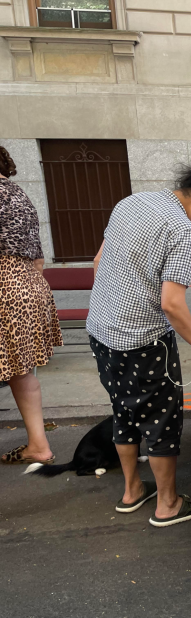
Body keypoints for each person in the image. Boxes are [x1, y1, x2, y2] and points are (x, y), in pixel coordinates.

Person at [87, 158, 191, 527]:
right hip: (143, 339)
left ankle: (132, 490)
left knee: (124, 410)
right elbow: (171, 303)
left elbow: (98, 260)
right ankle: (167, 504)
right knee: (161, 420)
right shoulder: (183, 231)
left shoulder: (132, 202)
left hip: (101, 330)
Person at [0, 146, 63, 465]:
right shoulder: (18, 193)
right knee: (20, 370)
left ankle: (39, 445)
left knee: (14, 367)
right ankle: (38, 444)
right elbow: (38, 256)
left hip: (3, 282)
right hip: (29, 283)